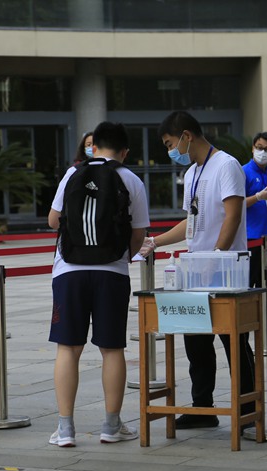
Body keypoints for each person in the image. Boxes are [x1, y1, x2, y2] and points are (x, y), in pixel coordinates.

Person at [139, 110, 254, 430]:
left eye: (169, 143)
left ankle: (248, 405)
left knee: (235, 341)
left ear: (187, 136)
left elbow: (232, 216)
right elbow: (192, 223)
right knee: (196, 340)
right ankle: (202, 405)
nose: (169, 151)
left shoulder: (226, 165)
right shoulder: (191, 174)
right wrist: (155, 241)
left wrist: (215, 258)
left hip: (226, 268)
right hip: (195, 269)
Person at [46, 121, 149, 447]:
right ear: (124, 151)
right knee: (111, 348)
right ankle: (111, 426)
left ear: (94, 146)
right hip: (112, 273)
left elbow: (53, 220)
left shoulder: (72, 173)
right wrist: (120, 258)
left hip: (69, 271)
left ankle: (65, 429)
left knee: (68, 348)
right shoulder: (131, 179)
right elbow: (138, 235)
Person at [243, 131, 267, 287]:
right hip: (252, 237)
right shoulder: (243, 172)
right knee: (252, 283)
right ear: (252, 148)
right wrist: (257, 197)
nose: (262, 152)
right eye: (259, 147)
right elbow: (235, 204)